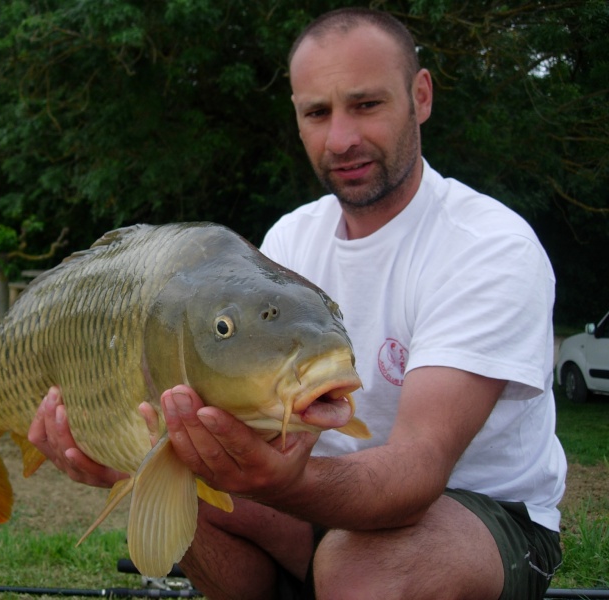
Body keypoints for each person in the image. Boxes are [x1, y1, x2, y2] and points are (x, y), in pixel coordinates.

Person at [28, 8, 566, 600]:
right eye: (318, 112)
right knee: (187, 490)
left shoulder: (488, 246)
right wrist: (128, 461)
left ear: (421, 95)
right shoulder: (290, 239)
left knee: (361, 569)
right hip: (321, 501)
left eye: (366, 105)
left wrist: (282, 483)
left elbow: (417, 469)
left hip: (474, 517)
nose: (342, 139)